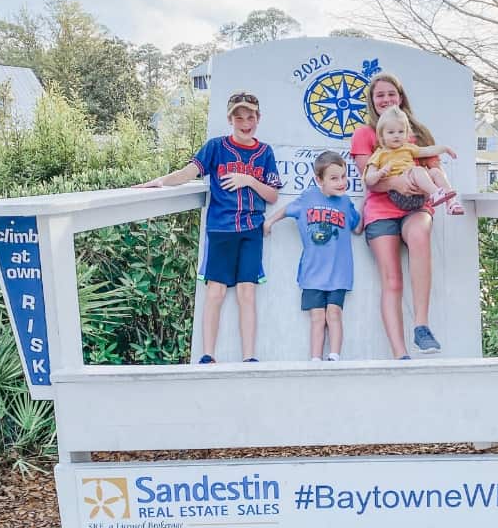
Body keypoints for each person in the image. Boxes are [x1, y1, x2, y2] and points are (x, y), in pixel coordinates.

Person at [136, 91, 281, 363]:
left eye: (250, 116)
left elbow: (272, 195)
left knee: (246, 292)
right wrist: (160, 181)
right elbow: (189, 172)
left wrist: (247, 179)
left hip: (251, 229)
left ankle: (249, 357)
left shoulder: (265, 152)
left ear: (258, 118)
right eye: (239, 117)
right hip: (221, 229)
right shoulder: (216, 147)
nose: (245, 122)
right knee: (215, 291)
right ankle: (207, 355)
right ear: (230, 119)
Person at [350, 72, 463, 359]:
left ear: (401, 97)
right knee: (392, 281)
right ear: (372, 101)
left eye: (391, 93)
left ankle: (421, 326)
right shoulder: (366, 135)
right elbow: (369, 177)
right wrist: (395, 182)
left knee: (420, 234)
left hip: (415, 206)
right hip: (381, 210)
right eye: (380, 95)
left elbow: (434, 168)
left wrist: (430, 183)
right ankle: (400, 354)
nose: (386, 99)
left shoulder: (418, 134)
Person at [264, 151, 362, 361]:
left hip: (339, 272)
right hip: (313, 272)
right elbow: (286, 210)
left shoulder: (346, 202)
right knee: (317, 317)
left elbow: (357, 227)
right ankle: (315, 359)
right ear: (319, 180)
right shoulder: (308, 197)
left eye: (343, 177)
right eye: (334, 178)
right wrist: (269, 221)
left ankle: (334, 356)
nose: (341, 182)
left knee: (334, 313)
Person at [364, 106, 461, 212]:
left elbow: (428, 151)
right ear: (381, 136)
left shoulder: (408, 148)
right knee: (417, 169)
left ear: (406, 133)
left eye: (401, 132)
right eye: (391, 132)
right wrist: (381, 173)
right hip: (401, 195)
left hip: (419, 195)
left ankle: (451, 203)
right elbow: (368, 180)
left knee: (435, 172)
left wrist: (445, 148)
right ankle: (435, 193)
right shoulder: (379, 154)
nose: (396, 136)